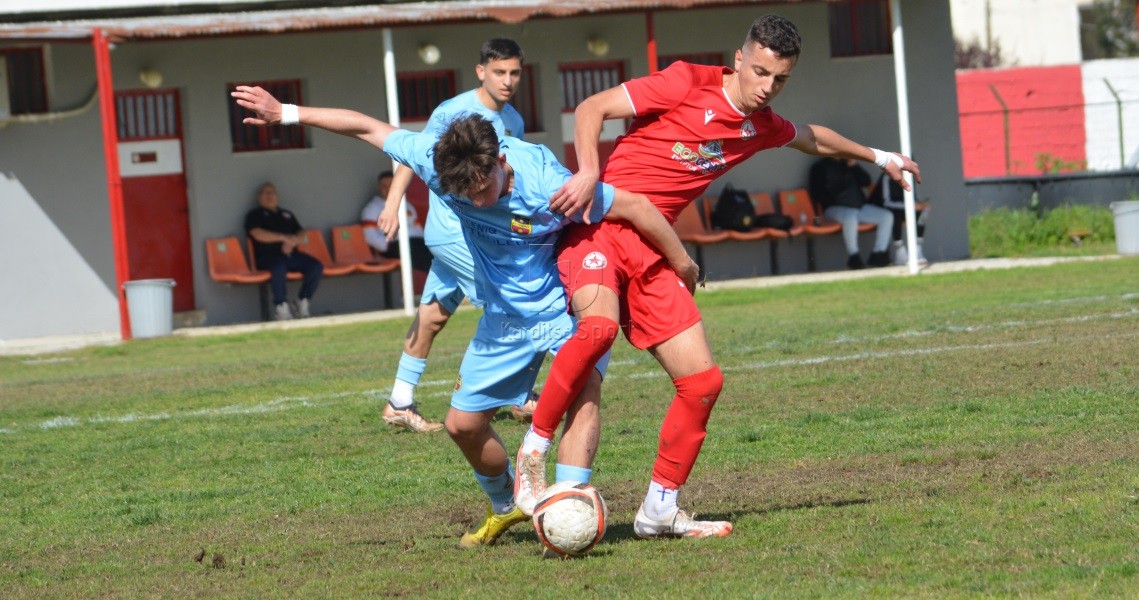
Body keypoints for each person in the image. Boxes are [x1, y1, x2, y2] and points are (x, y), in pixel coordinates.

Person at [231, 87, 698, 548]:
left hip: (562, 305)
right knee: (462, 426)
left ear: (501, 162)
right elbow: (368, 128)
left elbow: (635, 207)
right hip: (503, 318)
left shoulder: (547, 183)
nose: (476, 203)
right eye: (465, 195)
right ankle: (507, 504)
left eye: (484, 190)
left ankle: (569, 506)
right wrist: (286, 112)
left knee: (583, 397)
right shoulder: (439, 166)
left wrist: (681, 264)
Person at [513, 14, 922, 539]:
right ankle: (534, 450)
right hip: (599, 231)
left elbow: (812, 138)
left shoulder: (761, 125)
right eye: (760, 73)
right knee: (597, 333)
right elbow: (593, 108)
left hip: (652, 248)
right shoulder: (685, 81)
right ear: (738, 60)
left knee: (702, 382)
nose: (767, 88)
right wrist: (590, 170)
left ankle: (660, 509)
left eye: (780, 80)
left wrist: (880, 156)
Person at [373, 38, 528, 433]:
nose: (507, 80)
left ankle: (399, 402)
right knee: (508, 302)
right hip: (453, 232)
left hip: (477, 232)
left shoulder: (514, 120)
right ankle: (515, 395)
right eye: (499, 72)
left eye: (514, 72)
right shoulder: (454, 111)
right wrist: (392, 203)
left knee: (431, 318)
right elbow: (414, 153)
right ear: (481, 71)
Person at [244, 182, 324, 320]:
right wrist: (284, 238)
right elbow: (257, 233)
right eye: (266, 193)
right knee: (279, 267)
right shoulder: (254, 215)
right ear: (259, 197)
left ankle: (303, 302)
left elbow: (301, 232)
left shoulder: (286, 214)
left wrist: (293, 241)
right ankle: (281, 307)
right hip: (267, 257)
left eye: (273, 192)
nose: (270, 196)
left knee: (315, 266)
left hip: (290, 255)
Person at [808, 156, 894, 269]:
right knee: (850, 216)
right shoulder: (819, 167)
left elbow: (866, 181)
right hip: (833, 209)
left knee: (886, 216)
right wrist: (835, 199)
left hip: (858, 207)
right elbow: (816, 193)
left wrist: (855, 166)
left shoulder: (848, 164)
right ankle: (854, 256)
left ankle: (878, 254)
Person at [360, 170, 433, 272]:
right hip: (393, 245)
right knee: (425, 261)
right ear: (379, 188)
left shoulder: (407, 206)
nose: (387, 189)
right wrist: (387, 246)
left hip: (417, 243)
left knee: (437, 255)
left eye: (390, 185)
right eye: (383, 186)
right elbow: (369, 235)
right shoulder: (372, 208)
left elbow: (418, 229)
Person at [868, 170, 930, 265]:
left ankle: (917, 249)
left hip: (905, 207)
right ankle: (900, 252)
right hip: (885, 209)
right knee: (894, 214)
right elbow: (887, 202)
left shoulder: (910, 177)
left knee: (923, 212)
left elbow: (914, 197)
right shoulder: (887, 177)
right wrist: (910, 206)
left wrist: (921, 205)